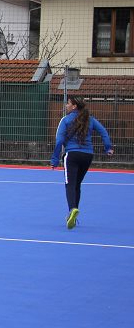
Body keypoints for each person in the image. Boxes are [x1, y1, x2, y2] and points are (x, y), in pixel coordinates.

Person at [50, 95, 113, 229]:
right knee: (77, 184)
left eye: (68, 103)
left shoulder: (65, 120)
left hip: (72, 155)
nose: (66, 105)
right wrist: (108, 147)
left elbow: (59, 141)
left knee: (70, 184)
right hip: (87, 156)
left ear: (74, 106)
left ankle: (72, 209)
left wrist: (55, 159)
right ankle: (74, 213)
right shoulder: (90, 120)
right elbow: (104, 132)